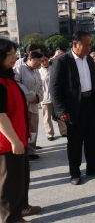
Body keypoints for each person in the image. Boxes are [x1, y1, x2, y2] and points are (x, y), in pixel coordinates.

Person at [50, 31, 95, 185]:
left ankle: (92, 167)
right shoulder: (62, 61)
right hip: (73, 107)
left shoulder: (89, 59)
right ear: (75, 44)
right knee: (75, 141)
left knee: (91, 138)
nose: (89, 48)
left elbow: (94, 83)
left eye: (90, 44)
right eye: (86, 45)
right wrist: (61, 110)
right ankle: (75, 172)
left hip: (89, 103)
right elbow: (54, 88)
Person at [0, 39, 41, 223]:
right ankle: (11, 219)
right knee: (9, 185)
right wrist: (14, 140)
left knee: (22, 179)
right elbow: (0, 116)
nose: (15, 57)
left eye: (14, 53)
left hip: (19, 139)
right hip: (7, 143)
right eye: (9, 54)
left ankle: (22, 207)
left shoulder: (9, 78)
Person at [14, 52, 44, 160]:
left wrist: (39, 97)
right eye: (38, 61)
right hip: (24, 105)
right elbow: (16, 84)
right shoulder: (20, 69)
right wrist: (31, 95)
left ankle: (31, 151)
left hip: (34, 106)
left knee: (33, 130)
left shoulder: (37, 72)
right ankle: (22, 150)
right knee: (22, 129)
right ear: (30, 59)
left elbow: (41, 87)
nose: (40, 63)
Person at [39, 53, 67, 141]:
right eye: (42, 61)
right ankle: (49, 134)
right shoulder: (38, 72)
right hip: (45, 98)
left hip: (56, 97)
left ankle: (64, 131)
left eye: (46, 60)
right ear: (40, 62)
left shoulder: (54, 69)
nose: (44, 62)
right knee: (47, 117)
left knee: (60, 115)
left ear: (49, 59)